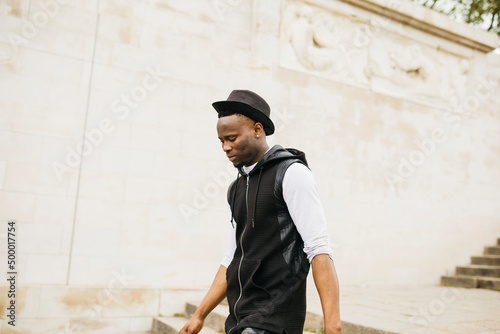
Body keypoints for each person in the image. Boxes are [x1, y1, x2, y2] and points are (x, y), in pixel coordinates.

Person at [180, 90, 341, 334]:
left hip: (274, 318)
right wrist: (199, 315)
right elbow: (231, 258)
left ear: (257, 129)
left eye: (232, 138)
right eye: (222, 141)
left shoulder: (291, 174)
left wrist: (333, 326)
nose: (225, 147)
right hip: (240, 316)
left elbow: (318, 249)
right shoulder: (235, 189)